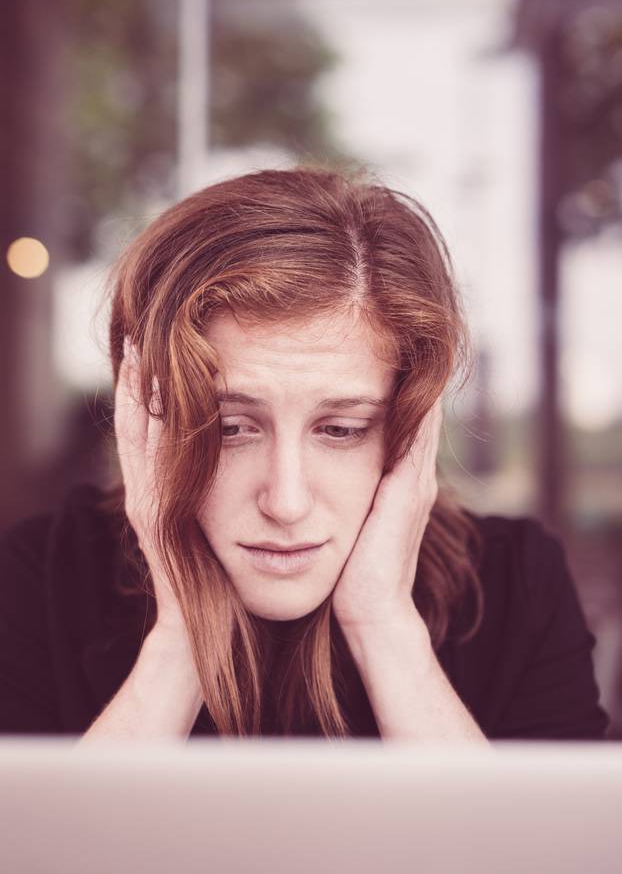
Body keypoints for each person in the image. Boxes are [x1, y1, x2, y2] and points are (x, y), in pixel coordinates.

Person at [0, 167, 609, 742]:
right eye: (231, 428)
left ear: (411, 427)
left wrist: (385, 627)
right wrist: (182, 639)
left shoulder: (513, 586)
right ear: (147, 417)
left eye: (341, 429)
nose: (286, 502)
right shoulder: (40, 577)